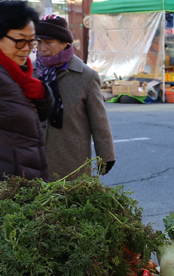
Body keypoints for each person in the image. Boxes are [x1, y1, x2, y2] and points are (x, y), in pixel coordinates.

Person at [35, 15, 116, 181]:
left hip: (71, 159)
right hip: (34, 159)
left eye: (48, 42)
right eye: (38, 42)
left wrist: (106, 156)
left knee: (68, 203)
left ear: (64, 42)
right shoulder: (30, 72)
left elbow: (99, 119)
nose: (42, 48)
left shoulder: (86, 76)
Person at [0, 1, 54, 181]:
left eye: (31, 41)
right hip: (9, 189)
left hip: (22, 184)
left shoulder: (19, 76)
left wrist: (41, 95)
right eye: (19, 40)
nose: (27, 48)